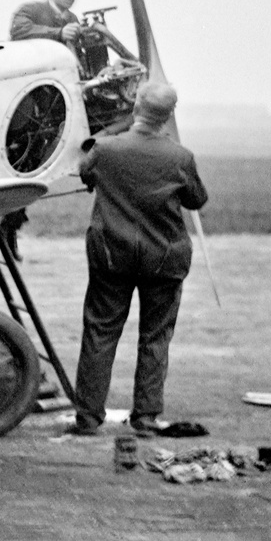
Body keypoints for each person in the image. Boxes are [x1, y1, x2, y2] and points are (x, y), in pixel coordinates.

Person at [66, 81, 209, 436]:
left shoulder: (104, 149)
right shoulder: (180, 157)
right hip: (164, 258)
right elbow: (196, 200)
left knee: (100, 331)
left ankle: (87, 417)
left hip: (111, 255)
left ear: (135, 106)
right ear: (169, 115)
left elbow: (85, 174)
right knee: (155, 336)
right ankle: (144, 418)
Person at [0, 0, 93, 260]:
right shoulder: (32, 9)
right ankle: (8, 228)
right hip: (28, 103)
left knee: (37, 169)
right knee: (25, 165)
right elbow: (19, 31)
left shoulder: (74, 20)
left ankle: (9, 228)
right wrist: (58, 32)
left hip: (56, 106)